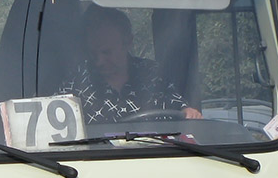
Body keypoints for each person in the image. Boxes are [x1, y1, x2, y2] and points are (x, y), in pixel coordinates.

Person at [59, 7, 202, 124]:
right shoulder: (76, 82)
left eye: (106, 52)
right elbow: (52, 119)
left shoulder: (153, 74)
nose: (99, 61)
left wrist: (189, 112)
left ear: (128, 42)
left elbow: (181, 108)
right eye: (93, 53)